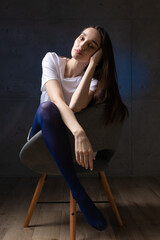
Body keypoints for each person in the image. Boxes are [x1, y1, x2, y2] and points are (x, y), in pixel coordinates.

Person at [28, 25, 129, 231]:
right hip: (40, 139)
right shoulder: (52, 60)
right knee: (48, 109)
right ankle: (80, 193)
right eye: (81, 38)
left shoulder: (93, 82)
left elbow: (74, 106)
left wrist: (91, 67)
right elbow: (58, 101)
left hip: (67, 145)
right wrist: (79, 132)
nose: (81, 45)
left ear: (98, 55)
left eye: (91, 45)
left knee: (56, 110)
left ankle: (79, 193)